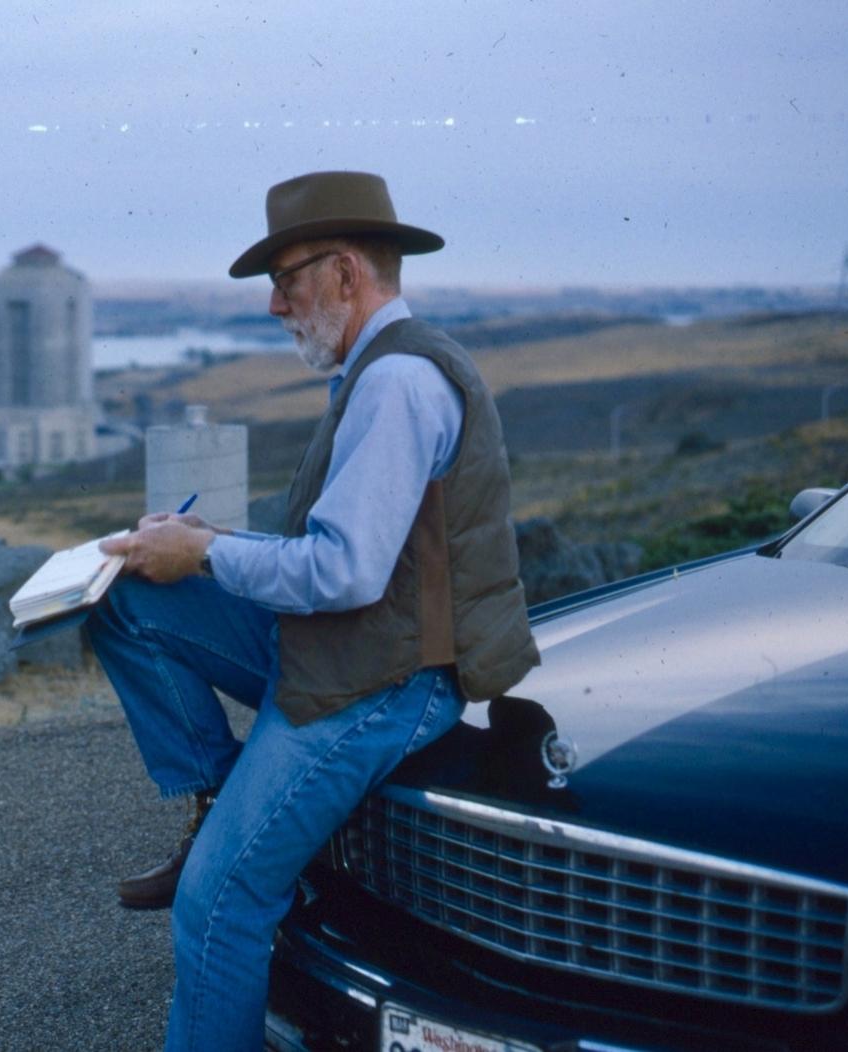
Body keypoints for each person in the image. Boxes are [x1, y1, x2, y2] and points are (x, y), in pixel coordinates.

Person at [88, 171, 540, 1051]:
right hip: (349, 645)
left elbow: (346, 572)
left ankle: (225, 858)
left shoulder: (397, 384)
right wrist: (195, 543)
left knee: (215, 904)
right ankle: (219, 807)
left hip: (386, 679)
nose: (273, 305)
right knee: (130, 594)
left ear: (343, 274)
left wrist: (210, 551)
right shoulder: (374, 370)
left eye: (286, 280)